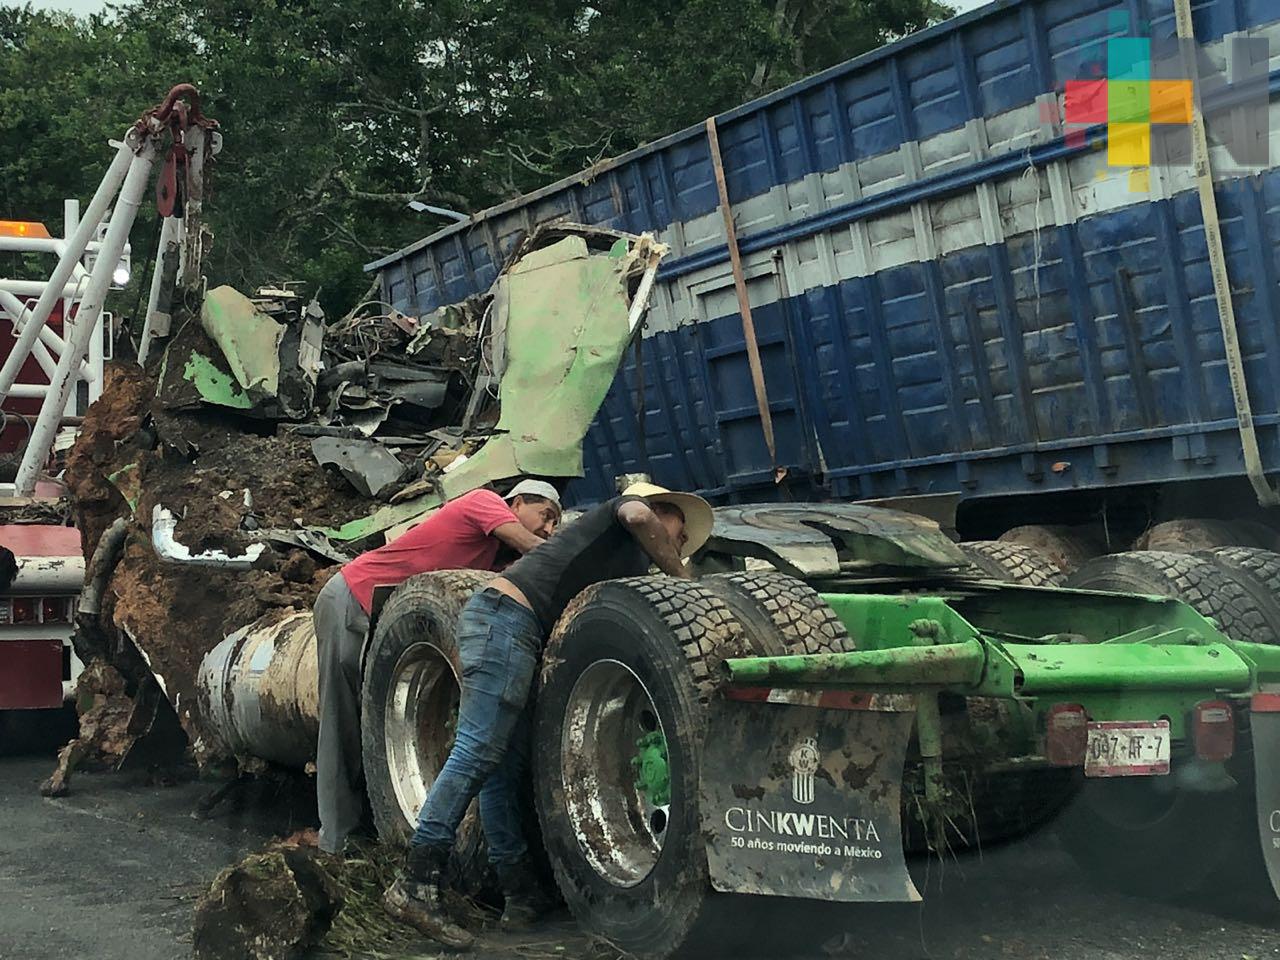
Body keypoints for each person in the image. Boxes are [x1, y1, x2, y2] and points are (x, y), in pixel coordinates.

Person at [383, 481, 714, 949]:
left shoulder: (623, 557)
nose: (679, 544)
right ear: (662, 508)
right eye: (680, 531)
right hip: (504, 620)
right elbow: (641, 520)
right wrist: (682, 578)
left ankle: (520, 894)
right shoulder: (624, 511)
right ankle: (416, 881)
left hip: (512, 625)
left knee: (500, 767)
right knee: (477, 749)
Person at [314, 479, 563, 855]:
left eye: (556, 525)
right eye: (545, 516)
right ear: (517, 502)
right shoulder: (484, 501)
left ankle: (364, 830)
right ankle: (336, 842)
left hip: (385, 617)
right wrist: (571, 553)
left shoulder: (495, 556)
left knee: (370, 721)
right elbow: (534, 549)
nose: (548, 529)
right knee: (341, 719)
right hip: (353, 597)